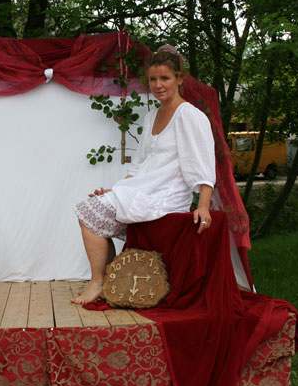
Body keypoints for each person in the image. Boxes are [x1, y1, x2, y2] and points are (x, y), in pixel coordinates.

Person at [71, 47, 216, 305]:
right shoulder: (151, 116)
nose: (158, 85)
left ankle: (97, 282)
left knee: (88, 213)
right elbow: (140, 165)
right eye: (153, 79)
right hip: (146, 189)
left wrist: (203, 205)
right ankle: (107, 281)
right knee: (91, 212)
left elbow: (203, 163)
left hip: (166, 195)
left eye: (165, 78)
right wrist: (117, 191)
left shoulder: (189, 115)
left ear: (179, 79)